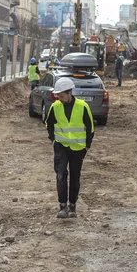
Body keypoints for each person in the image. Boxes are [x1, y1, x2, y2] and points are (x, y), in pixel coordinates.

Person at [45, 77, 94, 218]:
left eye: (61, 96)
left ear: (69, 93)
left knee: (74, 176)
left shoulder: (82, 106)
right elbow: (49, 124)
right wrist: (53, 140)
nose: (59, 98)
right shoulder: (55, 107)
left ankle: (73, 205)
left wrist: (87, 147)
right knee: (61, 175)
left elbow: (90, 127)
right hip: (61, 147)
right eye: (58, 96)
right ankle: (62, 206)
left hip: (78, 149)